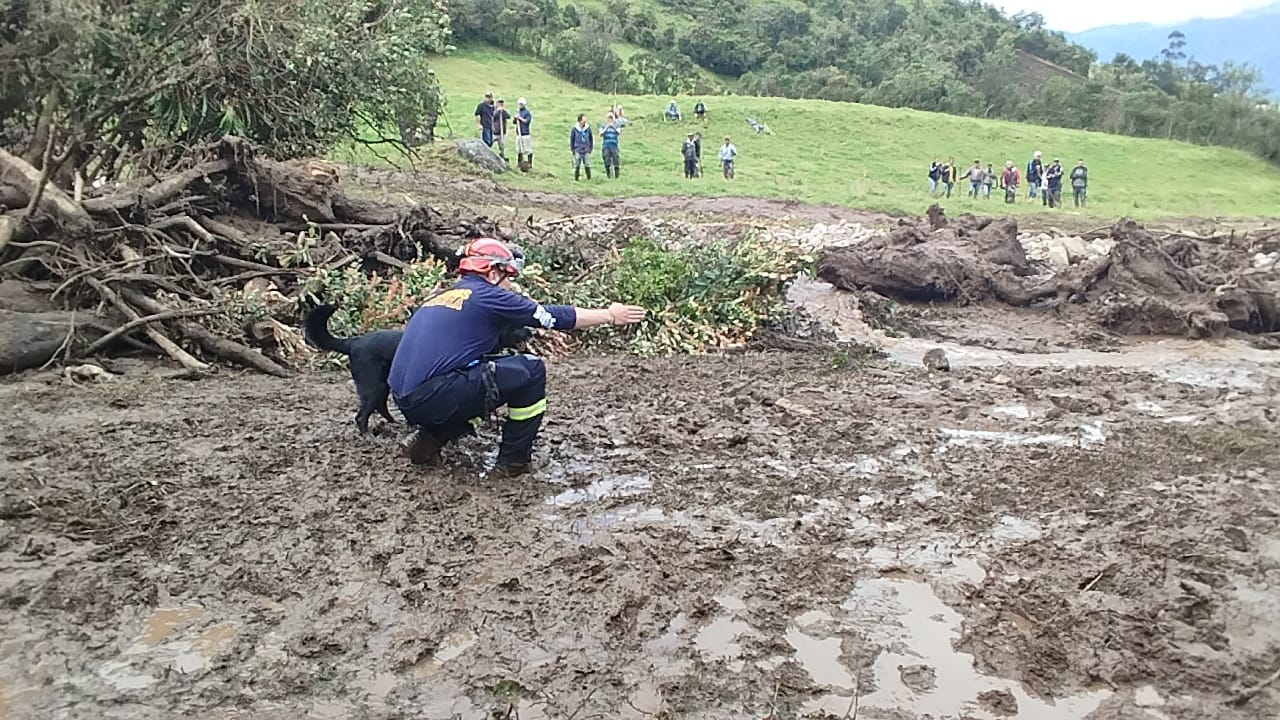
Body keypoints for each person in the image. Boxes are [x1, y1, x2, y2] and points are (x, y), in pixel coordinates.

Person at [389, 238, 647, 476]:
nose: (510, 286)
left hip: (406, 398)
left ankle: (428, 438)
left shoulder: (441, 296)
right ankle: (513, 462)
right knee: (531, 369)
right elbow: (552, 317)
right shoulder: (489, 295)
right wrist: (610, 315)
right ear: (492, 273)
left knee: (485, 372)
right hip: (434, 396)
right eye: (508, 277)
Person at [569, 114, 593, 181]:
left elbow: (591, 139)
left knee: (587, 164)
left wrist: (590, 148)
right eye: (583, 119)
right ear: (580, 121)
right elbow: (572, 139)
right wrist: (573, 149)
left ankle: (589, 178)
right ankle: (576, 178)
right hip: (578, 149)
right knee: (577, 164)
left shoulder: (588, 129)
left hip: (586, 149)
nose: (585, 121)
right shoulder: (574, 129)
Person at [514, 97, 533, 172]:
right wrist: (516, 118)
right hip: (518, 133)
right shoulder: (518, 112)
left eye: (521, 104)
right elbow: (514, 122)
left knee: (527, 149)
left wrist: (520, 118)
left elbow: (526, 121)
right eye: (519, 104)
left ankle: (529, 163)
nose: (520, 105)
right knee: (519, 149)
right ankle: (519, 163)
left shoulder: (527, 113)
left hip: (525, 134)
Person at [600, 114, 621, 179]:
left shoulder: (617, 125)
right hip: (606, 145)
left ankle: (617, 175)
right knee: (606, 159)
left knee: (616, 159)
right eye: (609, 118)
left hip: (614, 145)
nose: (610, 120)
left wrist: (613, 127)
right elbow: (601, 134)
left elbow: (618, 132)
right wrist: (607, 127)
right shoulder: (603, 126)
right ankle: (608, 174)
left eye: (611, 118)